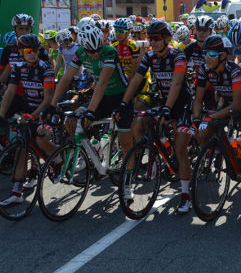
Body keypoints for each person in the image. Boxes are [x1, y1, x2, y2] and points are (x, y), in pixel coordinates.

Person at [116, 20, 194, 214]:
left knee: (180, 149)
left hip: (182, 104)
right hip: (164, 100)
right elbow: (136, 79)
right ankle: (152, 152)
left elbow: (176, 84)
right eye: (151, 38)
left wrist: (167, 108)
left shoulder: (178, 56)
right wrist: (124, 103)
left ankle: (186, 195)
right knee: (139, 122)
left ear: (167, 38)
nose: (153, 42)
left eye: (157, 38)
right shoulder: (150, 56)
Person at [193, 35, 241, 223]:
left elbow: (238, 106)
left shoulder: (234, 70)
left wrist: (211, 117)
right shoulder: (204, 70)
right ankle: (221, 150)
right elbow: (198, 99)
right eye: (206, 53)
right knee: (203, 132)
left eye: (212, 54)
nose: (207, 57)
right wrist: (198, 120)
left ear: (223, 56)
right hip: (226, 104)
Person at [50, 23, 134, 176]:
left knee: (126, 143)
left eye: (98, 49)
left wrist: (90, 111)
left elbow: (102, 83)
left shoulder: (110, 52)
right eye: (91, 51)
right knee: (71, 121)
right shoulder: (80, 53)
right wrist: (52, 104)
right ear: (83, 47)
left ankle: (128, 179)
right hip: (103, 98)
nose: (95, 54)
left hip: (121, 97)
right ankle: (87, 152)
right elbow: (67, 78)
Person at [0, 34, 57, 206]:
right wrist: (1, 115)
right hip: (27, 110)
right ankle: (17, 192)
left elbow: (48, 98)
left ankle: (58, 160)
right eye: (28, 51)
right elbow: (10, 92)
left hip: (44, 110)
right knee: (21, 148)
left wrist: (35, 115)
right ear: (20, 52)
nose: (32, 54)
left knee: (40, 139)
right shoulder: (18, 68)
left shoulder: (46, 68)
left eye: (36, 50)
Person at [0, 14, 51, 91]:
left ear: (31, 29)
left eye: (27, 29)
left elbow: (48, 72)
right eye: (21, 29)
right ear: (15, 29)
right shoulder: (8, 49)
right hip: (12, 90)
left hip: (35, 91)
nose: (24, 32)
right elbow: (2, 71)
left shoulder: (40, 49)